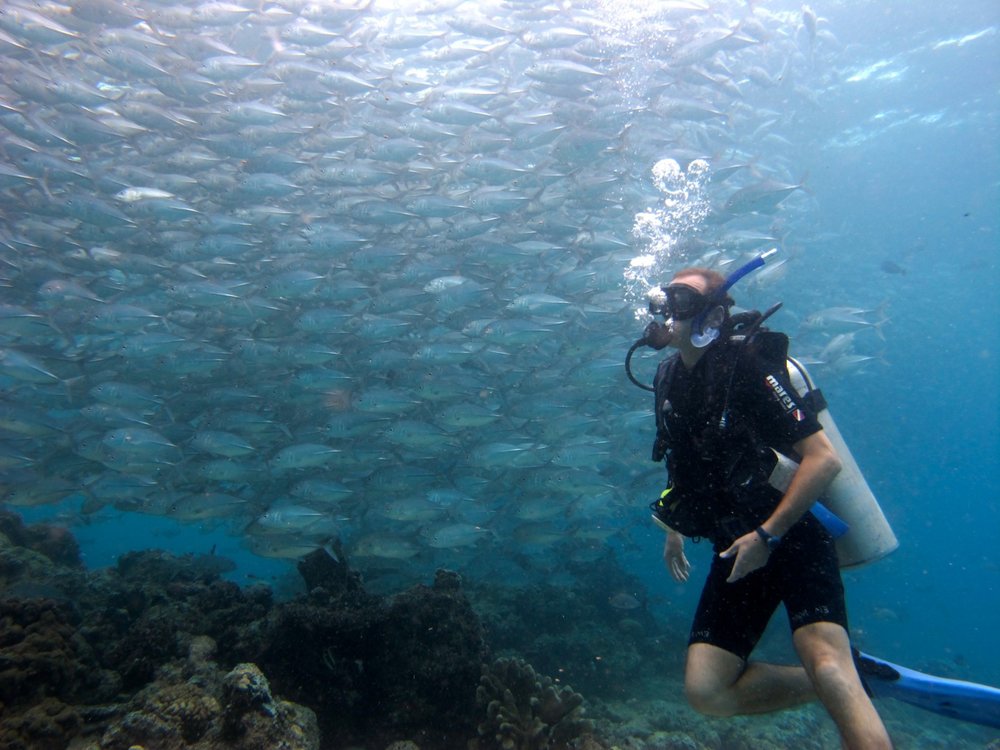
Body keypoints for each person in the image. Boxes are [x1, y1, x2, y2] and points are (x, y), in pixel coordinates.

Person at [644, 266, 892, 749]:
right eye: (665, 299)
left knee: (823, 659)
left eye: (682, 300)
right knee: (707, 691)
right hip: (735, 547)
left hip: (792, 533)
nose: (668, 311)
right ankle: (849, 676)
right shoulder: (667, 377)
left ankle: (839, 676)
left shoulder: (749, 365)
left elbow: (823, 462)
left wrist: (768, 535)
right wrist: (673, 524)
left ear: (712, 316)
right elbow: (684, 458)